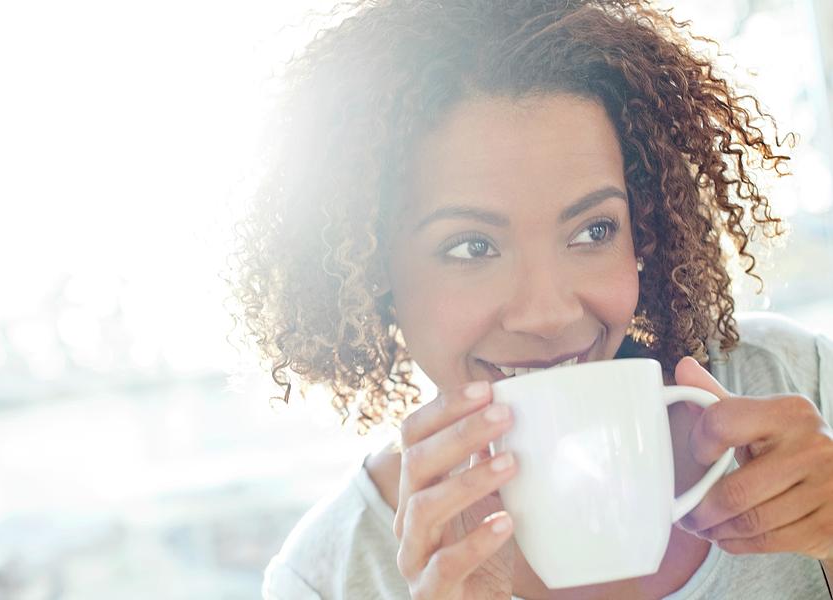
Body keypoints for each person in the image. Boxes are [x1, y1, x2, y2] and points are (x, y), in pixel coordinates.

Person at [230, 0, 833, 598]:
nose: (548, 314)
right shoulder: (328, 579)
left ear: (643, 229)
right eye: (471, 247)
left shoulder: (800, 385)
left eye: (593, 231)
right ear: (372, 267)